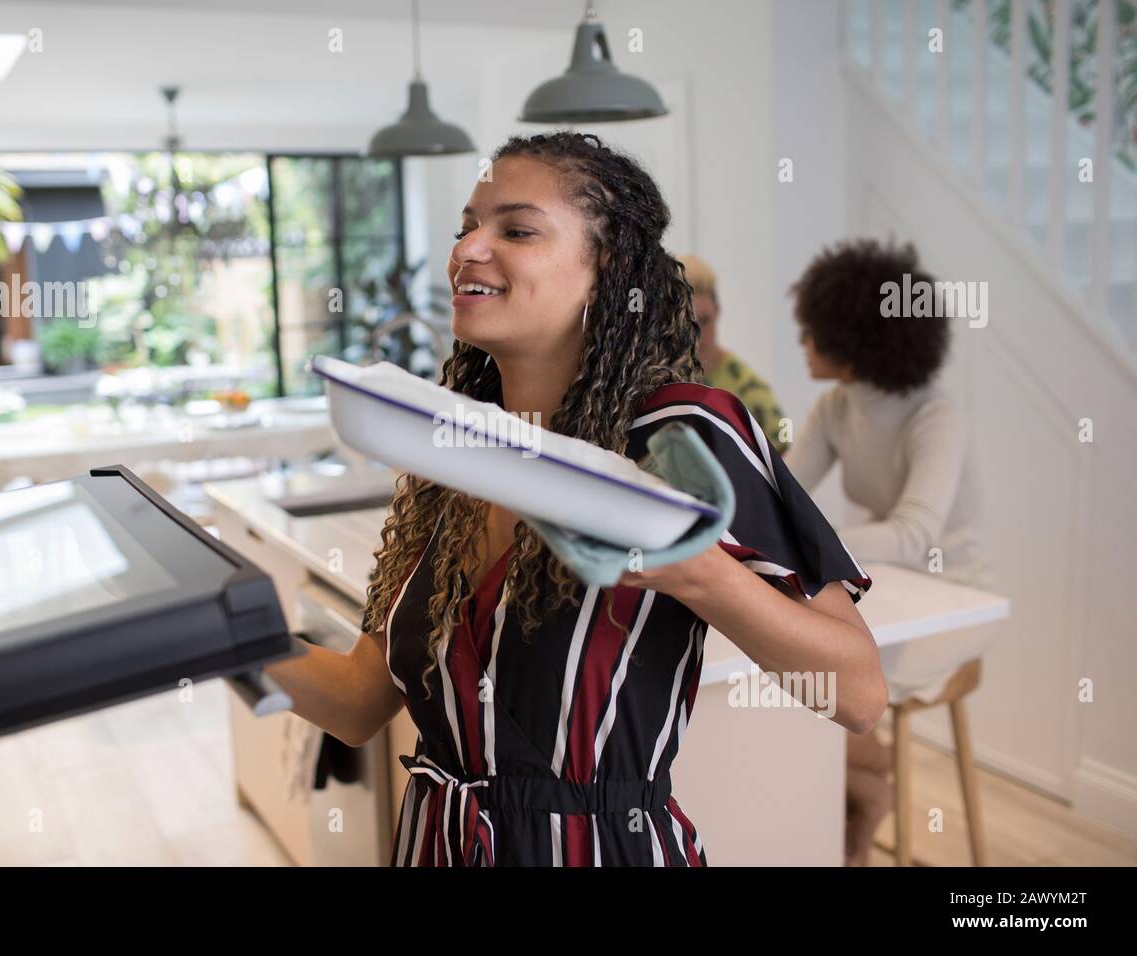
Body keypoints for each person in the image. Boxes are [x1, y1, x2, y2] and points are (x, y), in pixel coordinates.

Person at [266, 132, 885, 867]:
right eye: (467, 225)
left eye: (516, 229)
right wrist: (216, 639)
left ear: (606, 272)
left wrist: (694, 570)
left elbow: (858, 692)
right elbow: (359, 701)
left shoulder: (683, 434)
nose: (467, 249)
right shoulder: (447, 451)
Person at [783, 237, 991, 866]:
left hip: (952, 598)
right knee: (796, 667)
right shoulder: (837, 405)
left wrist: (809, 545)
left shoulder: (935, 415)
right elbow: (787, 497)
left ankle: (860, 809)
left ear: (852, 340)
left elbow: (913, 534)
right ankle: (861, 807)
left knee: (828, 680)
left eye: (812, 331)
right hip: (886, 589)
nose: (803, 343)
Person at [678, 252, 790, 452]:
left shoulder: (752, 394)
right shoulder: (654, 381)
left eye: (704, 321)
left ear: (717, 311)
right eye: (687, 323)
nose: (697, 336)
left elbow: (785, 466)